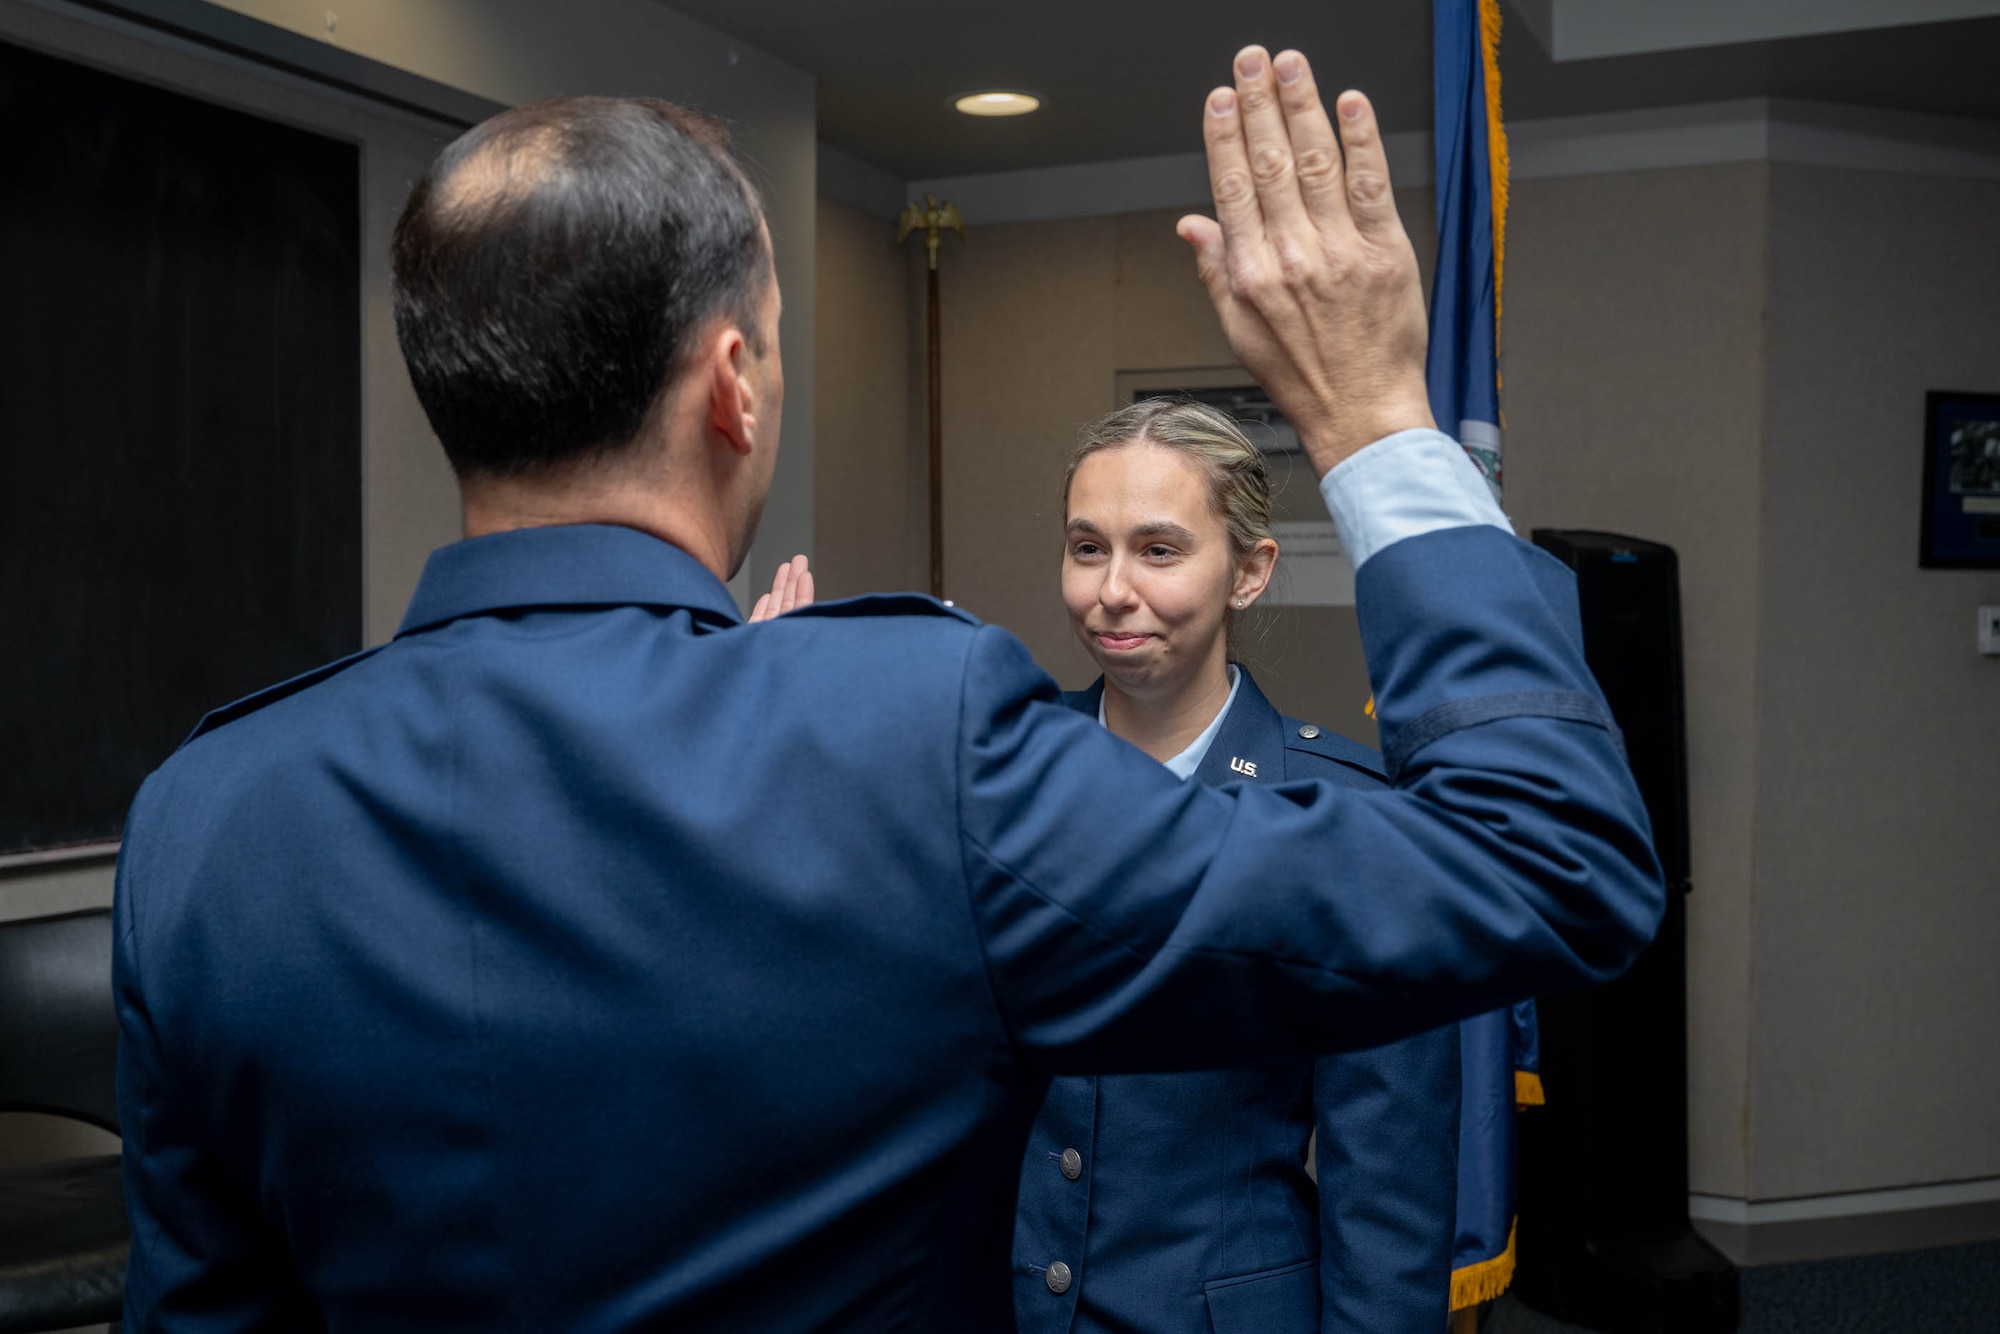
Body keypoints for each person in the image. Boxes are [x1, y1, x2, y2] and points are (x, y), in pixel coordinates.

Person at [112, 48, 1662, 1332]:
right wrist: (1382, 417)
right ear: (733, 384)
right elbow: (1554, 861)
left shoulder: (199, 822)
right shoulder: (909, 740)